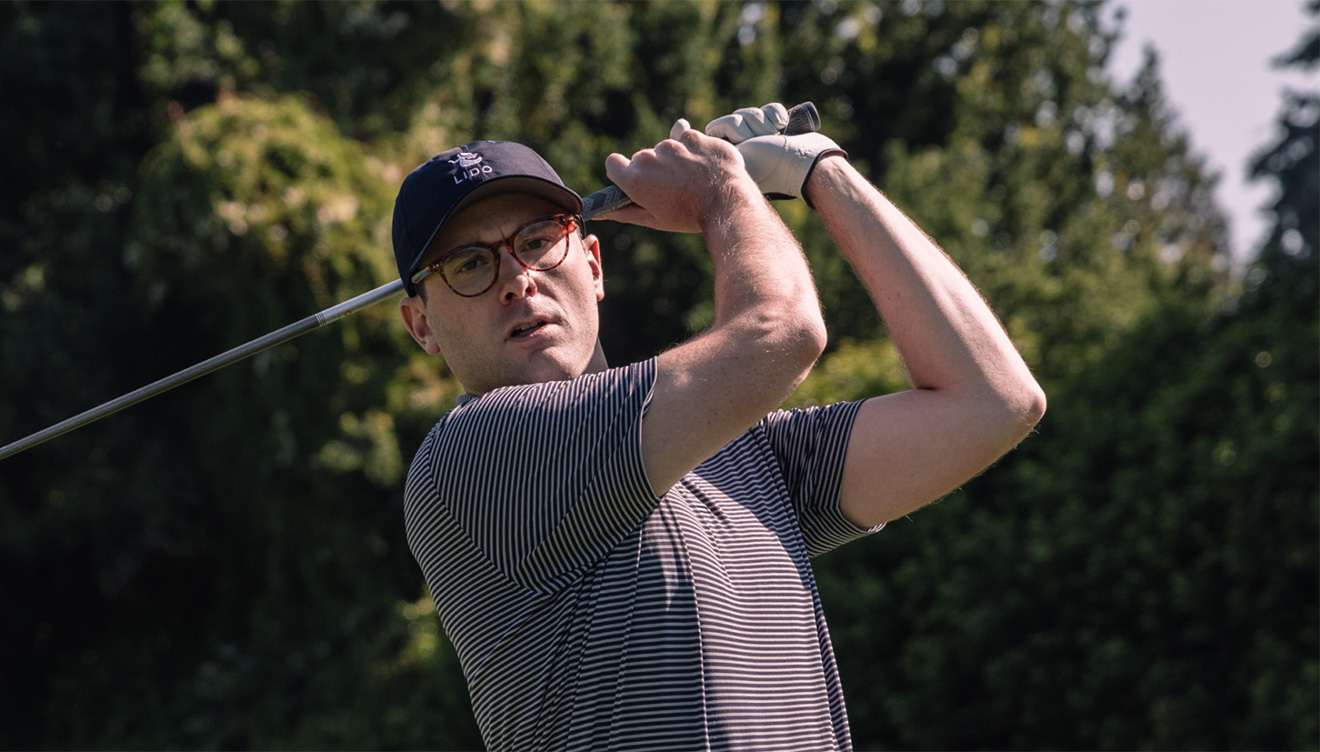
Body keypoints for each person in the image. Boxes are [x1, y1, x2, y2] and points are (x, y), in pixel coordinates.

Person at [391, 103, 1046, 751]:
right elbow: (783, 331)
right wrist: (723, 192)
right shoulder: (471, 458)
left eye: (537, 240)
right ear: (422, 325)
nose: (517, 279)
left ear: (592, 264)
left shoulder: (741, 450)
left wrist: (822, 171)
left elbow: (993, 400)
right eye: (469, 264)